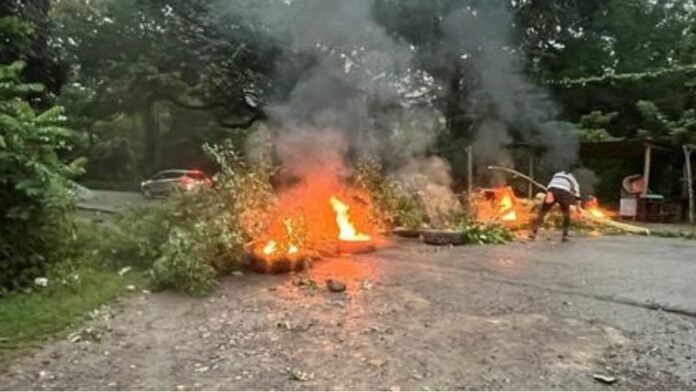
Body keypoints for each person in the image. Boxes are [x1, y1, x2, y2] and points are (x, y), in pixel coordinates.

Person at [530, 170, 581, 242]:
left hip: (551, 191)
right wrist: (578, 207)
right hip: (564, 193)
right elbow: (577, 195)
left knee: (543, 212)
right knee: (566, 214)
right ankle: (565, 236)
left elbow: (550, 185)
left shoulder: (557, 174)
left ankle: (533, 232)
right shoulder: (573, 179)